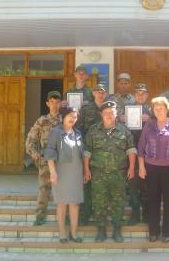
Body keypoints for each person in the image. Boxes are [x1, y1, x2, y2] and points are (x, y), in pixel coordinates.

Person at [83, 101, 136, 243]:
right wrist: (86, 169)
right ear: (101, 114)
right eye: (106, 112)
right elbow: (87, 151)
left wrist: (131, 168)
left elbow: (131, 150)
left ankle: (117, 230)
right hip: (98, 174)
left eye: (112, 112)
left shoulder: (124, 130)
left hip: (119, 174)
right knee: (99, 203)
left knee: (118, 202)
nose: (109, 115)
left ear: (116, 114)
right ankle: (101, 231)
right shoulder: (93, 130)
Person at [138, 96, 169, 243]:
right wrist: (141, 166)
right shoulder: (149, 125)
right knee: (153, 200)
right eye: (156, 108)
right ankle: (153, 232)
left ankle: (168, 232)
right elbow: (141, 147)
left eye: (161, 108)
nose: (158, 110)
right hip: (151, 168)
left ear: (167, 109)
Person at [45, 106, 84, 243]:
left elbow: (82, 154)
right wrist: (52, 171)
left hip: (76, 173)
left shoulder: (78, 133)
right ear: (63, 117)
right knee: (61, 203)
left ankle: (74, 233)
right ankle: (62, 233)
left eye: (75, 116)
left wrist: (85, 171)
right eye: (70, 116)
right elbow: (50, 152)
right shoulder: (55, 132)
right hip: (60, 172)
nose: (73, 118)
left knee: (74, 204)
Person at [25, 91, 62, 226]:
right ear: (47, 103)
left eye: (57, 102)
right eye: (51, 102)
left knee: (63, 189)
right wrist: (33, 153)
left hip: (62, 162)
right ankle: (40, 216)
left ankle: (64, 216)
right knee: (44, 189)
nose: (54, 105)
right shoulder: (42, 121)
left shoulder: (64, 120)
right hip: (45, 162)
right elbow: (30, 139)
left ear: (60, 104)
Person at [76, 83, 108, 225]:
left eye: (102, 92)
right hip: (89, 151)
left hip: (105, 153)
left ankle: (100, 216)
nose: (100, 94)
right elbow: (79, 128)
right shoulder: (86, 108)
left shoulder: (109, 109)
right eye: (97, 91)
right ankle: (85, 215)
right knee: (87, 185)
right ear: (93, 93)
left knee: (102, 187)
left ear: (105, 94)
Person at [126, 83, 151, 225]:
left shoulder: (153, 110)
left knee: (147, 186)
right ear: (134, 95)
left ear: (147, 95)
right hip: (132, 154)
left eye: (143, 93)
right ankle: (135, 214)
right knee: (133, 185)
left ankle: (147, 214)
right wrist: (121, 119)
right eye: (138, 93)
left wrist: (151, 120)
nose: (140, 95)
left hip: (149, 156)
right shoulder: (127, 109)